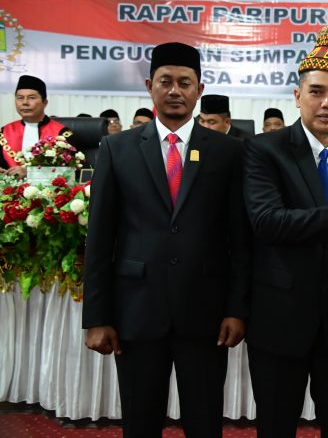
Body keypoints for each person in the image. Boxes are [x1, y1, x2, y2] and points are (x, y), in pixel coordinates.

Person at [82, 42, 251, 438]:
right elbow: (100, 236)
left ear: (199, 89)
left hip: (206, 313)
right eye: (165, 82)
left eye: (185, 83)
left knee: (205, 422)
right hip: (136, 312)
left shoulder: (229, 152)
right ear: (149, 85)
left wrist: (237, 309)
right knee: (140, 423)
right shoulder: (117, 148)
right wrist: (97, 317)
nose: (175, 90)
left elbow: (240, 239)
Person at [243, 26, 328, 437]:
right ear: (297, 96)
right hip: (279, 317)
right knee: (276, 424)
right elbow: (266, 221)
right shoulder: (264, 150)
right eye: (317, 91)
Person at [0, 75, 66, 179]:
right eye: (20, 98)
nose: (25, 102)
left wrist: (30, 173)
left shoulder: (62, 134)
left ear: (45, 103)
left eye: (31, 98)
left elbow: (70, 171)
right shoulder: (4, 132)